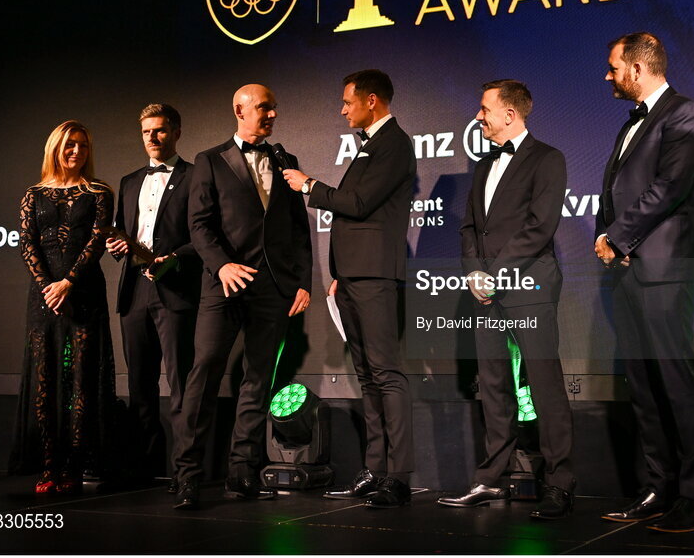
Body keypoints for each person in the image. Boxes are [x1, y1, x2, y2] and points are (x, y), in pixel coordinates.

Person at [438, 79, 575, 520]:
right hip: (485, 293)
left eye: (484, 109)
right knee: (493, 384)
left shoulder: (548, 159)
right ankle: (489, 479)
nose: (479, 117)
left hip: (529, 285)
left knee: (543, 382)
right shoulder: (482, 166)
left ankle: (559, 483)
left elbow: (539, 227)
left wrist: (493, 274)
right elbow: (468, 229)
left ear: (510, 115)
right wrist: (474, 273)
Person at [172, 84, 312, 509]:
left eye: (274, 107)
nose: (271, 114)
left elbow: (298, 230)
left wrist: (302, 280)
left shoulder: (287, 161)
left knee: (257, 381)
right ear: (239, 110)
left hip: (272, 289)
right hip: (224, 286)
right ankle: (188, 476)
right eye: (263, 107)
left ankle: (243, 472)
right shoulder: (209, 161)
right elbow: (198, 226)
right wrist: (222, 265)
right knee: (205, 375)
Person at [595, 33, 694, 532]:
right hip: (628, 272)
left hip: (664, 271)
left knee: (675, 384)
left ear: (638, 69)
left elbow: (670, 187)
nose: (608, 76)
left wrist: (617, 236)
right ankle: (656, 488)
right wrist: (611, 240)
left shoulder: (685, 113)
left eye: (614, 67)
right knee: (643, 386)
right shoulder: (631, 122)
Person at [283, 69, 417, 508]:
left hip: (377, 275)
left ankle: (397, 476)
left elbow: (358, 205)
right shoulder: (369, 148)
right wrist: (339, 270)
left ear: (372, 100)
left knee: (386, 374)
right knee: (367, 375)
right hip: (354, 277)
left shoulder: (395, 143)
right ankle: (374, 468)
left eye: (347, 102)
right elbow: (353, 216)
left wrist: (310, 186)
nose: (342, 110)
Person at [10, 121, 116, 494]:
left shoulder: (100, 192)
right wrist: (47, 288)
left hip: (83, 293)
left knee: (80, 382)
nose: (76, 151)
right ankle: (48, 465)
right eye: (70, 145)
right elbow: (27, 246)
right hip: (45, 299)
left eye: (83, 146)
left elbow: (95, 243)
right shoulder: (32, 194)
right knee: (45, 378)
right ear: (55, 148)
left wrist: (68, 282)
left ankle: (73, 465)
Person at [106, 103, 200, 489]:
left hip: (175, 289)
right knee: (139, 386)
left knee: (181, 385)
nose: (153, 138)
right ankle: (144, 467)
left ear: (176, 132)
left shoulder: (196, 177)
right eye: (147, 131)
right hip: (134, 290)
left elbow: (205, 238)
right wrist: (117, 244)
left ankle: (184, 472)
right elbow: (122, 230)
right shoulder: (128, 181)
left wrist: (174, 258)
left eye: (160, 130)